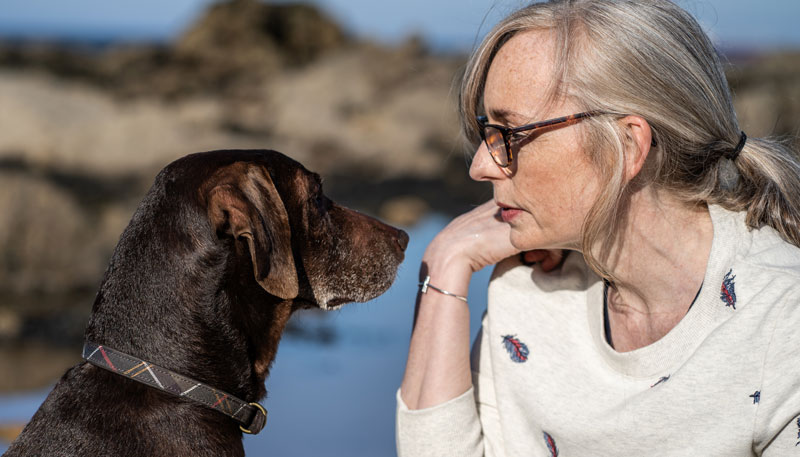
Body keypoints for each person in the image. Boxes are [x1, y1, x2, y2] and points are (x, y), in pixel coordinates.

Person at [396, 1, 800, 455]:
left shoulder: (783, 326)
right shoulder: (527, 289)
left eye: (509, 134)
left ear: (627, 145)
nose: (479, 166)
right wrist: (447, 260)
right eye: (487, 132)